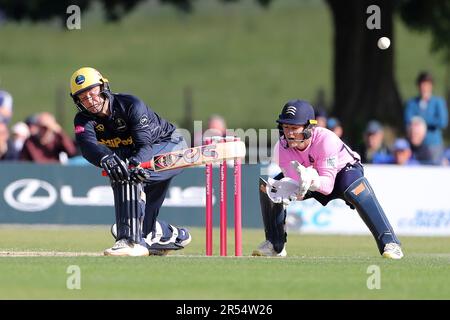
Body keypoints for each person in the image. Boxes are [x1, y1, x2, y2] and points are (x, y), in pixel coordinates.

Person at [252, 99, 403, 259]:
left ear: (309, 128)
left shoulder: (326, 140)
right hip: (310, 179)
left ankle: (390, 243)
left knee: (356, 189)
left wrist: (311, 179)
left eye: (295, 128)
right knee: (271, 188)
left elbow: (327, 186)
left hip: (343, 172)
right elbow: (298, 185)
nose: (289, 133)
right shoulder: (281, 149)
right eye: (286, 127)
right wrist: (296, 187)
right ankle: (275, 245)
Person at [69, 67, 192, 256]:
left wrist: (134, 164)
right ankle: (169, 234)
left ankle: (129, 240)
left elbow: (145, 144)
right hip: (136, 153)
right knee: (120, 173)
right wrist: (106, 158)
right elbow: (87, 147)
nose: (90, 101)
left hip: (169, 145)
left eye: (92, 93)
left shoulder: (130, 104)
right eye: (83, 98)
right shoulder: (83, 119)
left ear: (103, 88)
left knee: (128, 174)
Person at [404, 71, 448, 165]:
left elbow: (442, 121)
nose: (424, 88)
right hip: (415, 145)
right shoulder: (412, 103)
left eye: (427, 85)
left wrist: (422, 120)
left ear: (431, 86)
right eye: (422, 85)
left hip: (433, 145)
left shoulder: (438, 102)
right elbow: (408, 119)